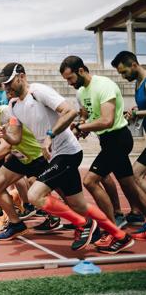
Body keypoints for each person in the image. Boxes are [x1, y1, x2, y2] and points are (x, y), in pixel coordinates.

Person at [0, 62, 133, 254]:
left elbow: (70, 111)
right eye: (4, 84)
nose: (7, 87)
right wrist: (5, 136)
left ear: (21, 76)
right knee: (78, 204)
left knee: (34, 195)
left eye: (9, 82)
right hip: (54, 155)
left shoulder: (38, 91)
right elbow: (16, 137)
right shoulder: (13, 105)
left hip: (67, 151)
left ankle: (83, 224)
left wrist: (50, 135)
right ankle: (120, 236)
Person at [61, 55, 146, 244]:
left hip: (118, 138)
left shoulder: (103, 85)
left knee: (90, 181)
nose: (69, 83)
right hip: (107, 140)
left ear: (81, 71)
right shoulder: (82, 92)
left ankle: (112, 229)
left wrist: (80, 128)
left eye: (70, 78)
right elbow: (87, 117)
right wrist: (81, 127)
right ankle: (131, 217)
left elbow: (107, 120)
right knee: (129, 184)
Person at [0, 90, 60, 239]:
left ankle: (82, 219)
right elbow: (7, 144)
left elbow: (5, 147)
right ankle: (16, 225)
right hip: (20, 157)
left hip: (37, 156)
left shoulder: (7, 113)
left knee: (60, 192)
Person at [111, 50, 146, 238]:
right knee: (137, 174)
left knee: (137, 174)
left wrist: (136, 114)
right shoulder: (138, 84)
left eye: (124, 72)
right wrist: (136, 110)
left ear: (134, 65)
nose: (123, 77)